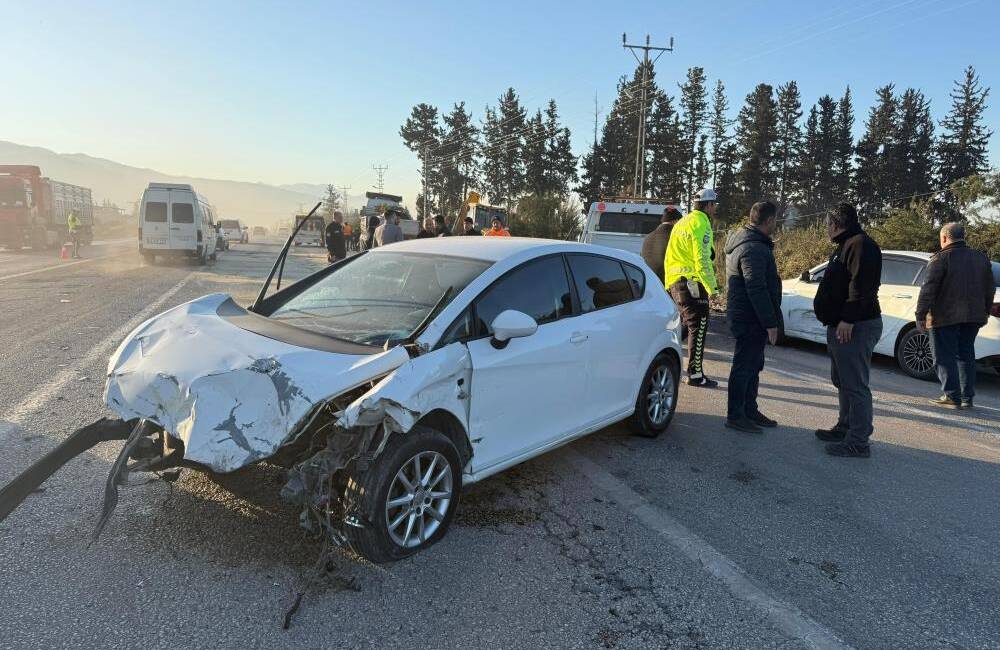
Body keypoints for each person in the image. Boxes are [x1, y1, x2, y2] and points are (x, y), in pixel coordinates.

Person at [813, 203, 882, 458]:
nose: (827, 229)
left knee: (855, 384)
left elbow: (862, 287)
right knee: (842, 380)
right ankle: (845, 427)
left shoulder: (861, 245)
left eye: (828, 224)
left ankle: (858, 441)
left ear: (837, 224)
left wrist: (848, 320)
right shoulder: (845, 245)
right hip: (842, 324)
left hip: (856, 326)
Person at [915, 222, 994, 409]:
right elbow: (989, 289)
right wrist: (985, 311)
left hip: (945, 316)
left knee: (943, 356)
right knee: (966, 355)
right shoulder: (981, 258)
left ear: (944, 238)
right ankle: (967, 398)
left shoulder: (940, 258)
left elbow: (928, 289)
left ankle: (951, 396)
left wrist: (920, 315)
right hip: (974, 316)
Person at [724, 201, 781, 433]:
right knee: (744, 366)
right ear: (768, 221)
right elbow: (755, 287)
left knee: (753, 365)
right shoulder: (753, 248)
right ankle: (736, 415)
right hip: (749, 317)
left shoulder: (750, 243)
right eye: (775, 220)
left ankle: (749, 409)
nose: (776, 224)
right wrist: (770, 323)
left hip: (750, 316)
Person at [664, 188, 720, 387]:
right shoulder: (701, 223)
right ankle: (695, 374)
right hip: (691, 281)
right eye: (715, 205)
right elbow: (702, 259)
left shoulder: (682, 222)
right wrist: (713, 288)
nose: (715, 210)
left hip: (674, 280)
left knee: (685, 326)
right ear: (709, 205)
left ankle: (659, 357)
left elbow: (670, 254)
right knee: (699, 324)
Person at [641, 205, 683, 284]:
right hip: (666, 284)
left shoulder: (648, 237)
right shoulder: (675, 237)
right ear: (676, 221)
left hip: (648, 281)